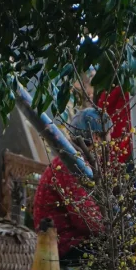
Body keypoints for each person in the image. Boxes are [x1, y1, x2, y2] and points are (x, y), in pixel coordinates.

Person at [32, 108, 108, 261]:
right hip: (62, 244)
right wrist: (115, 227)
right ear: (96, 138)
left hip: (72, 238)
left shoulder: (79, 162)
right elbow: (87, 221)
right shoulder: (71, 166)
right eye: (108, 135)